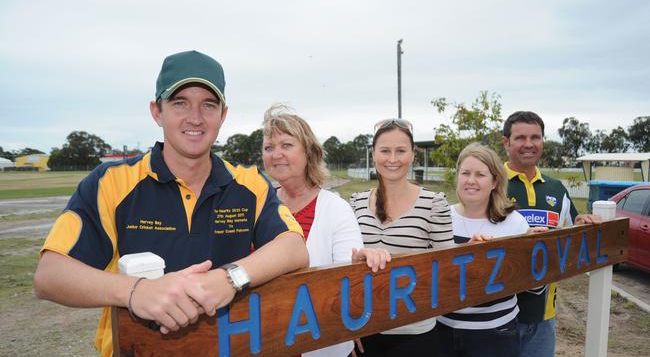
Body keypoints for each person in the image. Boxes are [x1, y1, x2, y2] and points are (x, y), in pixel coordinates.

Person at [33, 51, 309, 357]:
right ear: (156, 111)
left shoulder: (248, 183)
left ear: (223, 114)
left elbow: (294, 247)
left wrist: (229, 278)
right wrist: (136, 292)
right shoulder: (111, 182)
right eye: (180, 103)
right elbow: (50, 275)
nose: (195, 117)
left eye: (208, 104)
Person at [261, 103, 391, 357]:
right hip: (267, 343)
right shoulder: (259, 206)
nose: (276, 154)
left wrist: (358, 263)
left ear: (309, 152)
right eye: (269, 147)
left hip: (319, 346)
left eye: (286, 145)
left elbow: (347, 277)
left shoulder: (336, 209)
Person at [350, 118, 454, 356]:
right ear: (374, 154)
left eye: (401, 151)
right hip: (362, 331)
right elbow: (343, 266)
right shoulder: (355, 202)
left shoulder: (434, 204)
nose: (393, 159)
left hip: (415, 334)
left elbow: (448, 268)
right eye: (385, 151)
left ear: (412, 155)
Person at [502, 111, 601, 357]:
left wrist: (581, 222)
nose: (528, 144)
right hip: (498, 316)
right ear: (506, 143)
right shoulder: (491, 182)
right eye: (520, 137)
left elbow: (570, 231)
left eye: (535, 137)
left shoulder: (556, 188)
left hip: (544, 317)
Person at [435, 142, 534, 357]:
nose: (471, 181)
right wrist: (464, 253)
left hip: (496, 335)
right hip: (441, 331)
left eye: (480, 174)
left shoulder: (514, 223)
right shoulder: (439, 217)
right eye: (465, 173)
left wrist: (539, 247)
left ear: (494, 181)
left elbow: (532, 282)